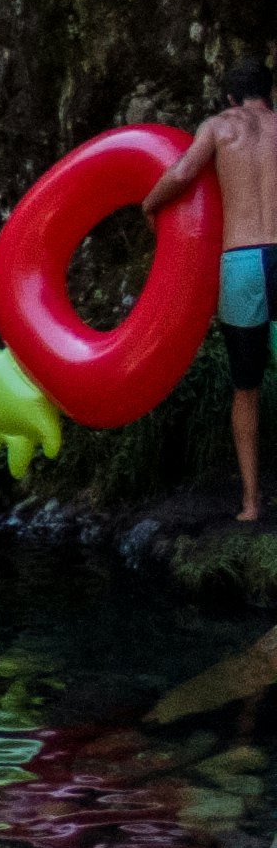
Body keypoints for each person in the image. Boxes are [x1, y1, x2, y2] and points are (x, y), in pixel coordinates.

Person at [151, 59, 277, 522]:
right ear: (269, 91)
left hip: (243, 260)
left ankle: (249, 503)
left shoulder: (220, 127)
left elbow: (183, 174)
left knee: (246, 388)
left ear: (230, 98)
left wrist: (150, 204)